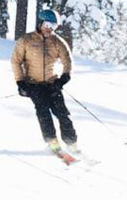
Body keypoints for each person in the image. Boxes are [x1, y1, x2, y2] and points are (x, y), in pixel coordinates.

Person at [12, 8, 78, 160]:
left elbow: (68, 61)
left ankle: (72, 143)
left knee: (62, 113)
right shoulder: (26, 40)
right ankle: (52, 141)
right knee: (43, 112)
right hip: (34, 85)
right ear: (40, 23)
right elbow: (16, 61)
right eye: (47, 24)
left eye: (53, 26)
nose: (50, 28)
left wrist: (64, 78)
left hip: (52, 84)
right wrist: (20, 82)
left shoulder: (57, 42)